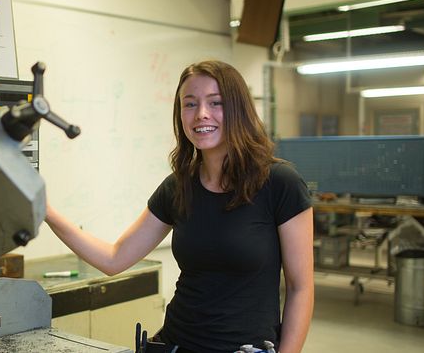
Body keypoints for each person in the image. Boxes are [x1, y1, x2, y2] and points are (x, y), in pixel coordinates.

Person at [45, 60, 314, 353]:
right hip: (177, 343)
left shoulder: (279, 182)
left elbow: (301, 288)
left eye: (216, 103)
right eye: (190, 104)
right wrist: (45, 210)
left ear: (239, 109)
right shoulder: (178, 187)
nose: (201, 115)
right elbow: (114, 258)